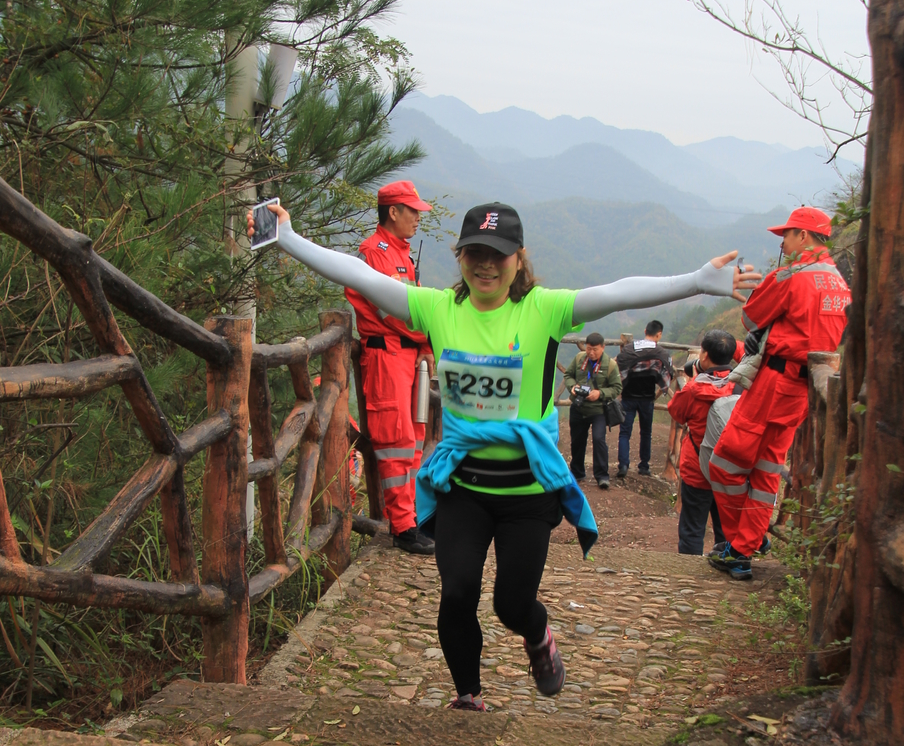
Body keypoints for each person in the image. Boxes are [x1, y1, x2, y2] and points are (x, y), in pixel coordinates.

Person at [250, 198, 759, 709]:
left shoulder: (544, 309)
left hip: (527, 491)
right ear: (461, 256)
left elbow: (616, 291)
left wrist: (696, 279)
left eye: (498, 253)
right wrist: (288, 238)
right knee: (456, 596)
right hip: (464, 488)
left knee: (512, 605)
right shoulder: (438, 308)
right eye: (474, 252)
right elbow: (362, 276)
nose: (485, 263)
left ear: (518, 257)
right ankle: (468, 695)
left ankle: (537, 635)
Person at [708, 206, 851, 581]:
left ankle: (742, 545)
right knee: (768, 467)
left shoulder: (792, 276)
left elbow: (751, 317)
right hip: (805, 386)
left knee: (725, 461)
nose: (783, 243)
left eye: (786, 235)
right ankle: (750, 538)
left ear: (803, 236)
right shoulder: (838, 280)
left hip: (775, 382)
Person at [345, 180, 434, 555]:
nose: (418, 218)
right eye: (412, 210)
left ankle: (410, 518)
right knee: (395, 441)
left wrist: (426, 342)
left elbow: (411, 312)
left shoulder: (402, 254)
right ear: (392, 212)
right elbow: (394, 314)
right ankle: (402, 527)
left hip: (408, 358)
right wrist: (427, 331)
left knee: (413, 440)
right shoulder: (374, 253)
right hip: (386, 358)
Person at [666, 329, 737, 555]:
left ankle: (688, 573)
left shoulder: (695, 389)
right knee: (727, 527)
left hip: (698, 468)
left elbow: (676, 413)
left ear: (704, 355)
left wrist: (693, 380)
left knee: (692, 526)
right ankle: (727, 563)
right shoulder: (742, 386)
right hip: (731, 467)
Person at [616, 320, 674, 478]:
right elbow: (668, 372)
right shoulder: (661, 353)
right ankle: (644, 466)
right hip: (647, 398)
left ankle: (623, 465)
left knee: (624, 433)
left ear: (644, 330)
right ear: (659, 334)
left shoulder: (629, 349)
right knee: (646, 432)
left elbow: (619, 366)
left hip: (628, 396)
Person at [564, 332, 622, 489]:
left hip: (598, 410)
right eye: (589, 348)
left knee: (599, 440)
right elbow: (568, 375)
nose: (591, 352)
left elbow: (617, 388)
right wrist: (573, 387)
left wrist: (600, 393)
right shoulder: (579, 359)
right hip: (578, 407)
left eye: (595, 349)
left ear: (602, 348)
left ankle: (602, 475)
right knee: (577, 441)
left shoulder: (610, 365)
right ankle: (577, 472)